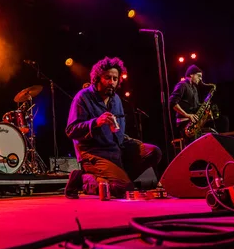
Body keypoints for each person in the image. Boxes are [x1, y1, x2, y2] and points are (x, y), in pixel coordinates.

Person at [64, 57, 162, 199]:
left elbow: (118, 129)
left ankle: (117, 178)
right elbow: (71, 130)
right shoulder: (83, 97)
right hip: (94, 153)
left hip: (116, 148)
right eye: (107, 78)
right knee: (123, 189)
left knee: (154, 152)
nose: (112, 82)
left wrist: (128, 142)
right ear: (97, 78)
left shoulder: (116, 99)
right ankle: (84, 180)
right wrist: (96, 122)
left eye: (115, 79)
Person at [168, 64, 228, 142]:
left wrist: (206, 106)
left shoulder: (194, 88)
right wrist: (187, 115)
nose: (200, 79)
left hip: (193, 121)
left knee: (223, 120)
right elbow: (172, 102)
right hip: (185, 122)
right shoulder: (182, 85)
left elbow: (195, 106)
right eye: (199, 76)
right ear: (191, 74)